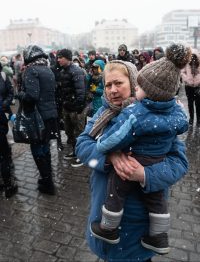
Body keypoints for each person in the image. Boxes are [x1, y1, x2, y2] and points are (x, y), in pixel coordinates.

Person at [75, 57, 189, 261]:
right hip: (103, 216)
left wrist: (145, 174)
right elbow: (82, 145)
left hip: (137, 228)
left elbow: (179, 163)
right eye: (108, 84)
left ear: (135, 83)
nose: (112, 90)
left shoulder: (157, 118)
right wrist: (108, 157)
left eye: (118, 83)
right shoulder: (102, 114)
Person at [16, 45, 58, 195]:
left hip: (37, 116)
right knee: (45, 148)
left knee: (37, 148)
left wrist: (19, 94)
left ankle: (47, 183)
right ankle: (48, 180)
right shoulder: (47, 69)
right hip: (49, 115)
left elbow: (31, 96)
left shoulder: (31, 70)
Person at [56, 49, 86, 167]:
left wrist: (78, 108)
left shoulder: (76, 71)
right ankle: (75, 152)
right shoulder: (63, 71)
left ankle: (82, 156)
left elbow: (81, 92)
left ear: (67, 58)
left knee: (79, 133)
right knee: (69, 133)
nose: (58, 60)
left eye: (60, 57)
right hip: (67, 108)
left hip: (76, 109)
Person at [181, 50, 200, 125]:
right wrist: (187, 79)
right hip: (188, 86)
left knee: (198, 103)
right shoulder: (186, 64)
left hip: (198, 86)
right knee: (190, 103)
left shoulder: (199, 64)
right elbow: (182, 72)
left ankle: (198, 119)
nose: (193, 59)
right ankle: (191, 118)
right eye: (192, 57)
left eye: (194, 57)